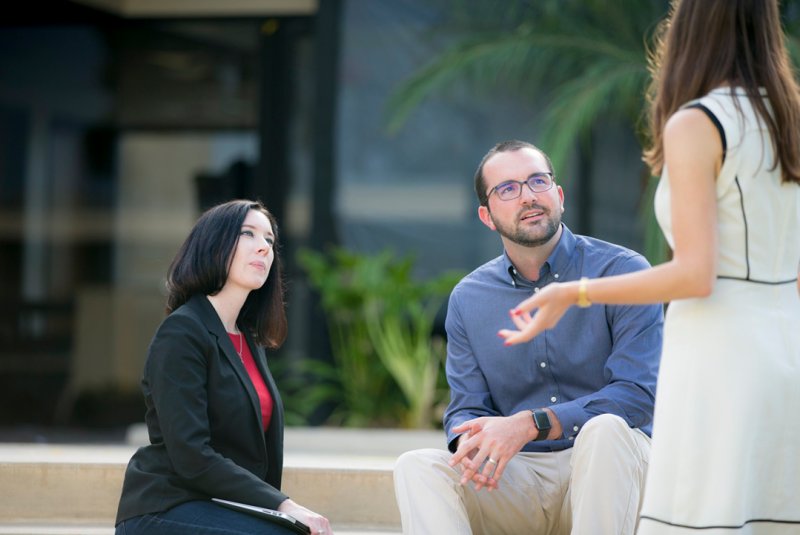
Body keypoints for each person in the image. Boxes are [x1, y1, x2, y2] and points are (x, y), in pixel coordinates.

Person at [500, 1, 800, 533]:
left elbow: (696, 273)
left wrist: (572, 293)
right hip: (784, 350)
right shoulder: (788, 117)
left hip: (720, 356)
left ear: (692, 24)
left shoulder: (698, 123)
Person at [393, 140, 664, 534]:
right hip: (518, 476)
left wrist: (531, 423)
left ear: (559, 195)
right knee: (417, 466)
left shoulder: (622, 272)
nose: (528, 197)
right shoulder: (469, 298)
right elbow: (466, 406)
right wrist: (470, 439)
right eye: (508, 188)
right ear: (486, 216)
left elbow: (638, 395)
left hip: (611, 470)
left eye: (538, 181)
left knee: (604, 430)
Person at [115, 199, 332, 535]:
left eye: (270, 241)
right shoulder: (182, 332)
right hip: (166, 506)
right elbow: (192, 455)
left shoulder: (248, 340)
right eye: (249, 234)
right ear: (213, 245)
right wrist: (283, 505)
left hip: (222, 506)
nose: (263, 248)